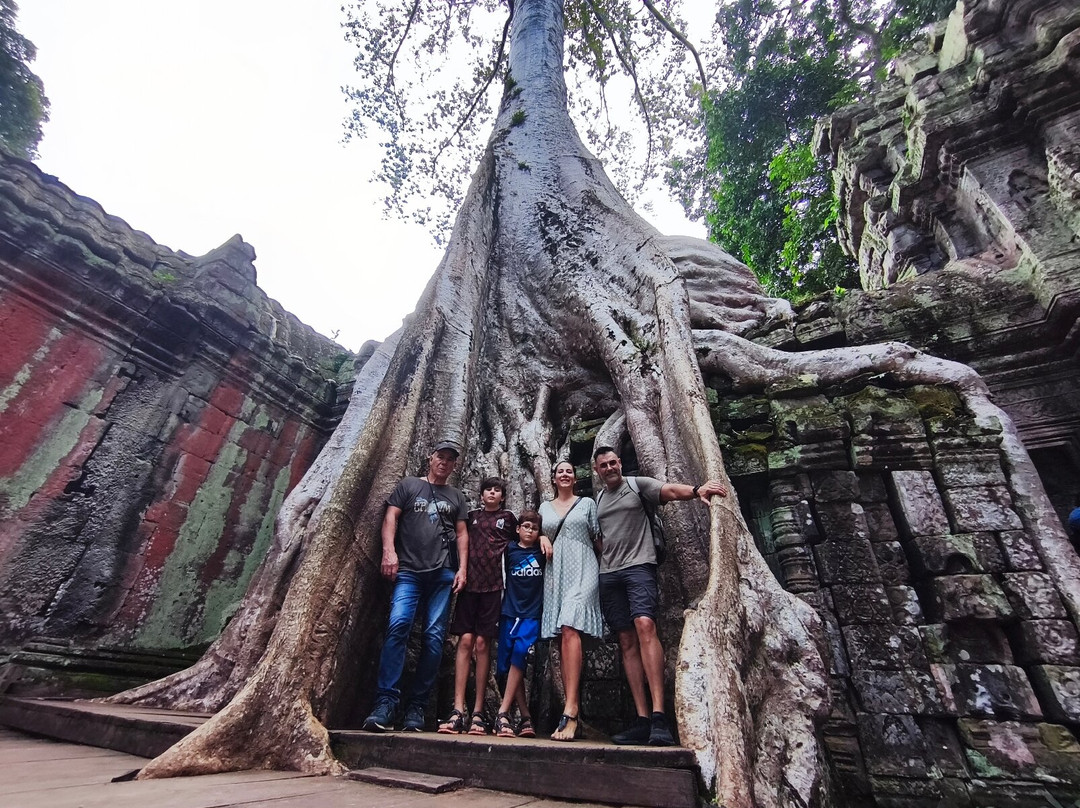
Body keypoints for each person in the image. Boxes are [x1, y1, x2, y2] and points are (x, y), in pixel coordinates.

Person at [592, 445, 727, 747]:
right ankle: (641, 719)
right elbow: (597, 536)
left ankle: (658, 716)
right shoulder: (597, 499)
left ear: (619, 464)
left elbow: (669, 491)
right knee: (625, 640)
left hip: (639, 567)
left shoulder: (637, 485)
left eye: (614, 462)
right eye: (604, 465)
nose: (610, 468)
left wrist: (697, 489)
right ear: (597, 470)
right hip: (609, 575)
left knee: (645, 626)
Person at [363, 440, 470, 732]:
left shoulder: (456, 496)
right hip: (408, 571)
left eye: (450, 459)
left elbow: (462, 535)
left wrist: (462, 568)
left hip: (443, 575)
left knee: (434, 639)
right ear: (430, 457)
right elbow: (391, 517)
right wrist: (389, 551)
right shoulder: (409, 485)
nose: (444, 463)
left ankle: (416, 707)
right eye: (440, 457)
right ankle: (385, 702)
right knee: (398, 626)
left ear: (454, 465)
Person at [438, 477, 517, 735]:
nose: (492, 493)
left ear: (502, 496)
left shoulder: (509, 519)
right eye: (488, 489)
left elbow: (523, 542)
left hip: (495, 588)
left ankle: (479, 712)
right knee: (464, 642)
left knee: (483, 644)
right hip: (469, 586)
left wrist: (542, 540)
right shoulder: (470, 516)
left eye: (497, 490)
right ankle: (457, 709)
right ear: (481, 494)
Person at [538, 460, 605, 741]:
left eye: (569, 471)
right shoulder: (544, 507)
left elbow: (599, 539)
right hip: (556, 572)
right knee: (565, 633)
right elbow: (534, 531)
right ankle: (571, 706)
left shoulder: (587, 503)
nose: (564, 474)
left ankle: (572, 709)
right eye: (559, 471)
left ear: (575, 478)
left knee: (569, 623)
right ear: (553, 478)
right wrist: (542, 535)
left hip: (585, 567)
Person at [493, 510, 546, 738]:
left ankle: (503, 712)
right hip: (509, 612)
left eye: (534, 529)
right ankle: (525, 717)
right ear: (517, 529)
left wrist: (545, 538)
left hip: (531, 614)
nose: (530, 531)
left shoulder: (541, 552)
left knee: (521, 652)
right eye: (526, 527)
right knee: (510, 664)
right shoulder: (510, 549)